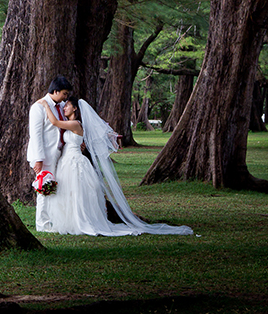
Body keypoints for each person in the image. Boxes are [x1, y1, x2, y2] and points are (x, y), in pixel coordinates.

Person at [37, 96, 193, 236]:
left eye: (67, 106)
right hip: (67, 160)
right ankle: (70, 220)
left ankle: (80, 221)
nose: (64, 108)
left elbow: (55, 122)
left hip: (75, 161)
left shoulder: (75, 123)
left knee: (79, 193)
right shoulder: (73, 124)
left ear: (75, 108)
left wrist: (45, 105)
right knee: (69, 192)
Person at [27, 76, 72, 232]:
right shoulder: (38, 107)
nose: (66, 97)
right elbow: (36, 135)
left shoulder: (61, 106)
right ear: (55, 91)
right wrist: (38, 159)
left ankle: (55, 220)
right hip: (45, 155)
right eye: (64, 94)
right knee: (45, 188)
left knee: (57, 188)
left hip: (59, 152)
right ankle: (42, 224)